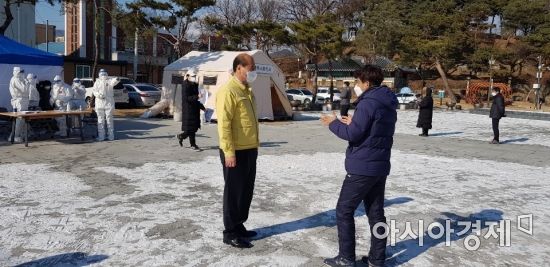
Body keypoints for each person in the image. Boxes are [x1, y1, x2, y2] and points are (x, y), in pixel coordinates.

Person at [320, 65, 398, 267]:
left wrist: (333, 123)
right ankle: (377, 258)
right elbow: (373, 129)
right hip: (379, 166)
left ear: (367, 83)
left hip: (363, 166)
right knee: (376, 213)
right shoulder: (386, 101)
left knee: (344, 210)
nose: (356, 86)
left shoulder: (368, 103)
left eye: (358, 82)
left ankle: (346, 257)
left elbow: (353, 135)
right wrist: (354, 122)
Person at [216, 53, 260, 249]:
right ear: (239, 68)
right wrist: (229, 152)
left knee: (246, 191)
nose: (253, 72)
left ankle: (239, 224)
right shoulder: (229, 91)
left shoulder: (247, 90)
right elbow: (224, 125)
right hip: (235, 151)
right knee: (234, 192)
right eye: (251, 68)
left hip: (250, 148)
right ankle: (229, 232)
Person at [177, 70, 205, 151]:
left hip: (195, 109)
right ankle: (192, 144)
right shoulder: (185, 85)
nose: (194, 78)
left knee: (193, 128)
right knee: (190, 129)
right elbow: (187, 98)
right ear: (188, 76)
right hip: (188, 110)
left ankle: (183, 137)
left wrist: (202, 107)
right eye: (192, 76)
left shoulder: (195, 84)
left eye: (195, 76)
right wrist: (197, 96)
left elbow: (196, 99)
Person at [92, 69, 119, 141]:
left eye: (104, 74)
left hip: (107, 104)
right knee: (103, 121)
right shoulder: (97, 82)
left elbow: (114, 81)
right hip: (101, 103)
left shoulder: (109, 81)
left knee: (106, 120)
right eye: (102, 74)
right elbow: (94, 91)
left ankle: (109, 136)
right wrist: (99, 95)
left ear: (106, 74)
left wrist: (117, 79)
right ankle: (104, 137)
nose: (103, 75)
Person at [8, 67, 29, 142]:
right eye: (20, 72)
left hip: (22, 100)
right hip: (20, 101)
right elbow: (24, 89)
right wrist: (26, 82)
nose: (22, 74)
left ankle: (19, 134)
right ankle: (15, 136)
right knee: (20, 119)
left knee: (22, 119)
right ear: (17, 72)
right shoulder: (15, 79)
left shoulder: (17, 79)